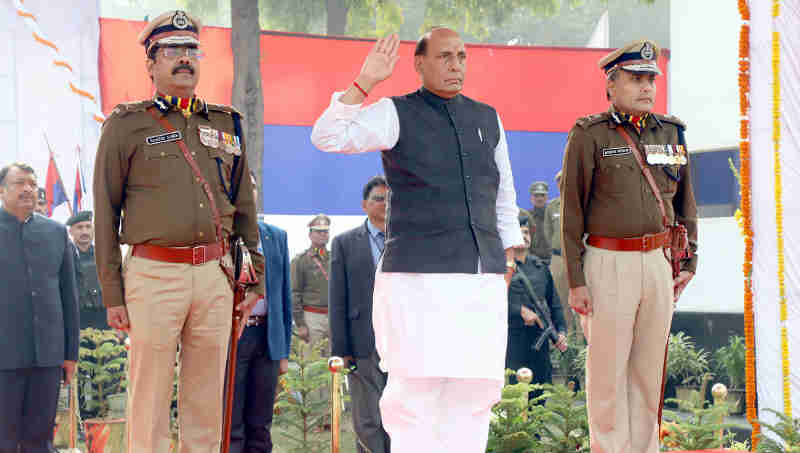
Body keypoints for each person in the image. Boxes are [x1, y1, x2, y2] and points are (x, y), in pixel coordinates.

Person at [311, 29, 523, 451]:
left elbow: (504, 196)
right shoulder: (396, 112)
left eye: (461, 56)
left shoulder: (487, 117)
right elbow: (327, 136)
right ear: (419, 64)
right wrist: (365, 82)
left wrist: (509, 256)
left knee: (476, 395)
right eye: (444, 56)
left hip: (481, 280)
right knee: (414, 398)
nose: (455, 65)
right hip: (415, 280)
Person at [92, 10, 264, 453]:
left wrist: (249, 282)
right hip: (153, 275)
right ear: (151, 63)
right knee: (149, 394)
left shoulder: (226, 123)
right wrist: (114, 293)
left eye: (191, 50)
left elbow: (243, 211)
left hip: (214, 275)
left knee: (206, 396)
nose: (184, 59)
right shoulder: (127, 124)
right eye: (171, 51)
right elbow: (105, 213)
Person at [560, 39, 698, 453]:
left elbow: (685, 202)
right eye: (635, 78)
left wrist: (688, 262)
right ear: (612, 83)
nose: (645, 87)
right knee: (607, 375)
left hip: (658, 263)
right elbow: (570, 214)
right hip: (608, 263)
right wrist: (576, 281)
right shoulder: (589, 135)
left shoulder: (671, 132)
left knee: (647, 372)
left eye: (650, 79)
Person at [0, 162, 79, 453]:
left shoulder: (56, 233)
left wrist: (70, 354)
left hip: (47, 357)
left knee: (40, 440)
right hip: (4, 358)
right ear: (1, 190)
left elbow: (68, 297)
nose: (28, 190)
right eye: (20, 183)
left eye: (32, 185)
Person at [227, 174, 292, 453]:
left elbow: (284, 295)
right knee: (232, 422)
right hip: (234, 334)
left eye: (251, 187)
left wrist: (283, 351)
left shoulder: (275, 236)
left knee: (261, 422)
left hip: (267, 335)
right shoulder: (222, 234)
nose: (247, 192)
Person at [329, 176, 391, 453]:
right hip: (363, 343)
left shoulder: (409, 242)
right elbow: (337, 299)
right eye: (379, 198)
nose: (386, 204)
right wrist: (341, 350)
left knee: (400, 416)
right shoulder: (345, 243)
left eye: (391, 199)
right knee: (368, 419)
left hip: (403, 343)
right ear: (364, 204)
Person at [505, 217, 566, 402]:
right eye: (519, 232)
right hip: (513, 339)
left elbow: (554, 302)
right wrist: (518, 310)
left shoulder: (540, 267)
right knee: (513, 393)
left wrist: (561, 330)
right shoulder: (502, 267)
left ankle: (537, 432)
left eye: (526, 232)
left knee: (541, 391)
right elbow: (492, 300)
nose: (524, 236)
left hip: (539, 337)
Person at [291, 214, 331, 349]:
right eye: (318, 231)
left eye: (325, 231)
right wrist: (301, 324)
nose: (322, 234)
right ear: (310, 234)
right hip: (312, 318)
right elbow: (295, 293)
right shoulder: (300, 260)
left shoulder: (335, 258)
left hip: (333, 317)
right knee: (312, 363)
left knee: (334, 364)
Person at [542, 171, 575, 335]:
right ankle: (564, 337)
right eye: (560, 181)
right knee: (559, 299)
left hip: (578, 259)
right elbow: (547, 231)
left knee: (581, 299)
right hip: (558, 259)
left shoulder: (580, 202)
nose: (563, 183)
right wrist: (556, 247)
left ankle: (581, 339)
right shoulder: (552, 206)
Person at [66, 210, 106, 329]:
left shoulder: (104, 256)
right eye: (79, 227)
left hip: (104, 319)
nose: (84, 231)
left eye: (88, 227)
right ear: (71, 231)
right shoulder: (63, 258)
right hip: (76, 320)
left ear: (93, 230)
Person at [524, 181, 551, 261]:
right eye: (536, 195)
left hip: (552, 260)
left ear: (547, 197)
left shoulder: (553, 216)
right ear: (531, 198)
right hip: (532, 261)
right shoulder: (526, 217)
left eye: (542, 195)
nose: (539, 198)